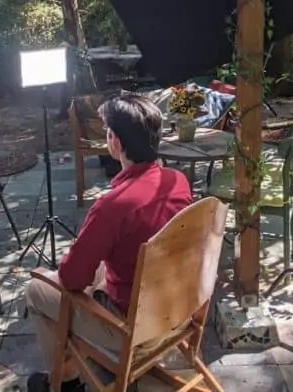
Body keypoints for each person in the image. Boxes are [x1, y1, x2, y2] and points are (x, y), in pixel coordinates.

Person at [25, 93, 193, 392]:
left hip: (135, 326)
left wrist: (69, 266)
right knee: (100, 265)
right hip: (177, 305)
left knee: (38, 288)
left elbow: (72, 278)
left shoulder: (112, 207)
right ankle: (83, 362)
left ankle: (64, 381)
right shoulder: (177, 180)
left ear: (115, 141)